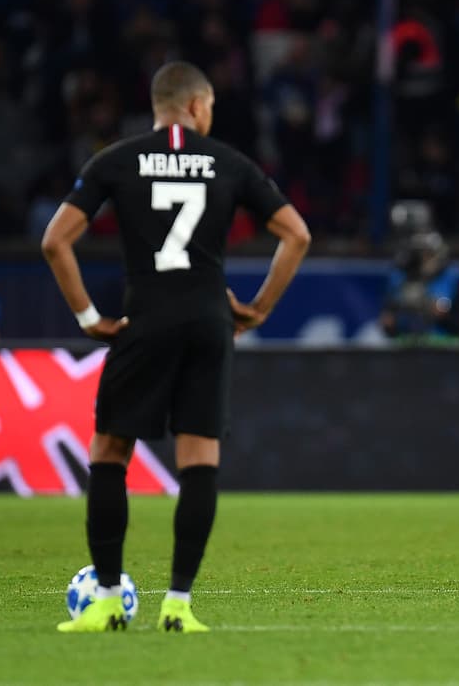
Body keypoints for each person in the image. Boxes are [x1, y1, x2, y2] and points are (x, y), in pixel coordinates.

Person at [42, 61, 311, 632]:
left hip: (145, 318)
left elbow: (55, 241)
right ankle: (179, 606)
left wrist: (90, 316)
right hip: (209, 320)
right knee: (199, 460)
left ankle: (110, 600)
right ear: (194, 106)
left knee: (111, 452)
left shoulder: (115, 160)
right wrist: (258, 308)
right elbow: (296, 234)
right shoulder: (229, 163)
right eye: (209, 106)